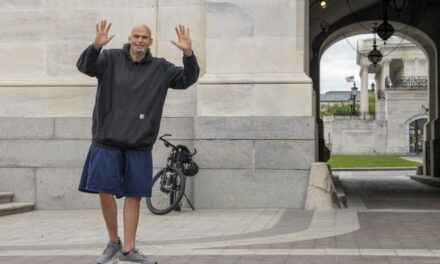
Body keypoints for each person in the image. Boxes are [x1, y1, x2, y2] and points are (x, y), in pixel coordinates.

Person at [77, 20, 199, 264]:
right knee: (104, 191)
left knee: (134, 195)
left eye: (144, 37)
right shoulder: (109, 59)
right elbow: (85, 67)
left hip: (139, 143)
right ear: (130, 38)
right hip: (106, 140)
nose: (140, 40)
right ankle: (114, 241)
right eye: (136, 36)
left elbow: (187, 79)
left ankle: (128, 250)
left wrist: (188, 53)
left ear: (150, 42)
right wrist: (95, 46)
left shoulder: (160, 68)